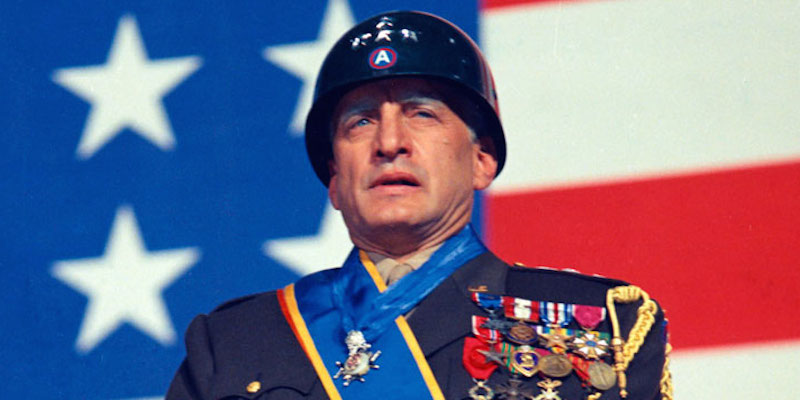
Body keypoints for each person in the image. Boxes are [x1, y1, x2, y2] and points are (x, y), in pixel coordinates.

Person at [166, 11, 672, 400]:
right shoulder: (233, 343)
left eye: (422, 114)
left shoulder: (600, 328)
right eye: (361, 122)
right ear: (334, 181)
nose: (389, 142)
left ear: (482, 160)